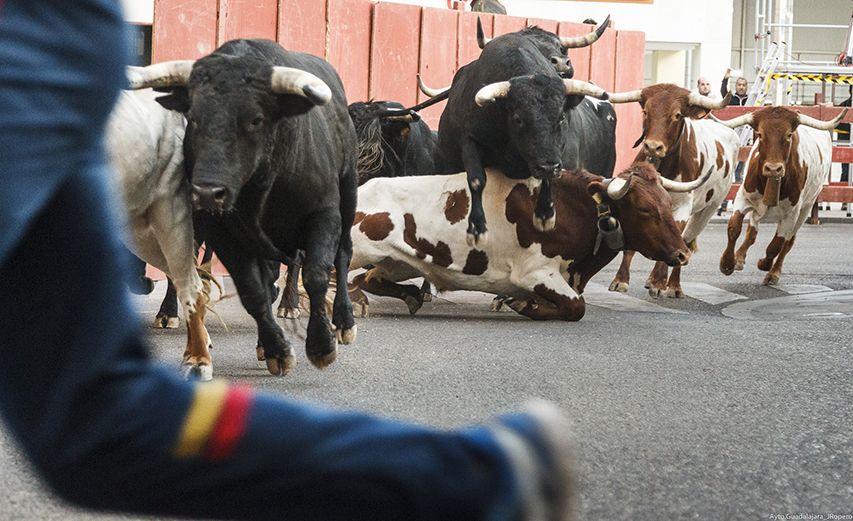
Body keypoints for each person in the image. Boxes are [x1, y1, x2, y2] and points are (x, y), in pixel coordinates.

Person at [0, 1, 576, 520]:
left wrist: (325, 280)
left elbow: (330, 207)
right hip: (54, 40)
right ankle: (479, 475)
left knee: (94, 416)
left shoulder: (312, 126)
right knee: (96, 423)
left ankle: (468, 471)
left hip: (32, 50)